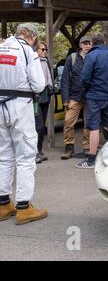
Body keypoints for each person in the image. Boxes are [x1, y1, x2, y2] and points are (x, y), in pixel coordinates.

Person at [0, 23, 48, 224]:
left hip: (0, 106)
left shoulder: (1, 47)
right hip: (21, 106)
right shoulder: (27, 51)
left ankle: (3, 203)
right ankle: (23, 207)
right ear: (32, 36)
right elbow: (38, 84)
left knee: (4, 154)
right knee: (26, 155)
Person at [76, 32, 108, 169]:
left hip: (94, 96)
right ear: (104, 43)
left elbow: (84, 77)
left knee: (94, 127)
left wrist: (88, 89)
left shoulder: (91, 56)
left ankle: (91, 159)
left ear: (93, 43)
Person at [60, 36, 92, 160]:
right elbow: (65, 79)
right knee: (68, 122)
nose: (88, 46)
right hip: (74, 95)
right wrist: (65, 98)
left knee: (89, 123)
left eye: (90, 44)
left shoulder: (93, 58)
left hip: (89, 96)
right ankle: (69, 147)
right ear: (80, 45)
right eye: (85, 43)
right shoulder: (72, 58)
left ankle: (87, 146)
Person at [34, 41, 54, 164]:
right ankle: (34, 152)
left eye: (45, 49)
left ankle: (39, 150)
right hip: (35, 97)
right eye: (42, 49)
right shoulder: (32, 61)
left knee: (42, 126)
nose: (44, 51)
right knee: (38, 126)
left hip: (46, 94)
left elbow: (49, 77)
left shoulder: (46, 61)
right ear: (36, 50)